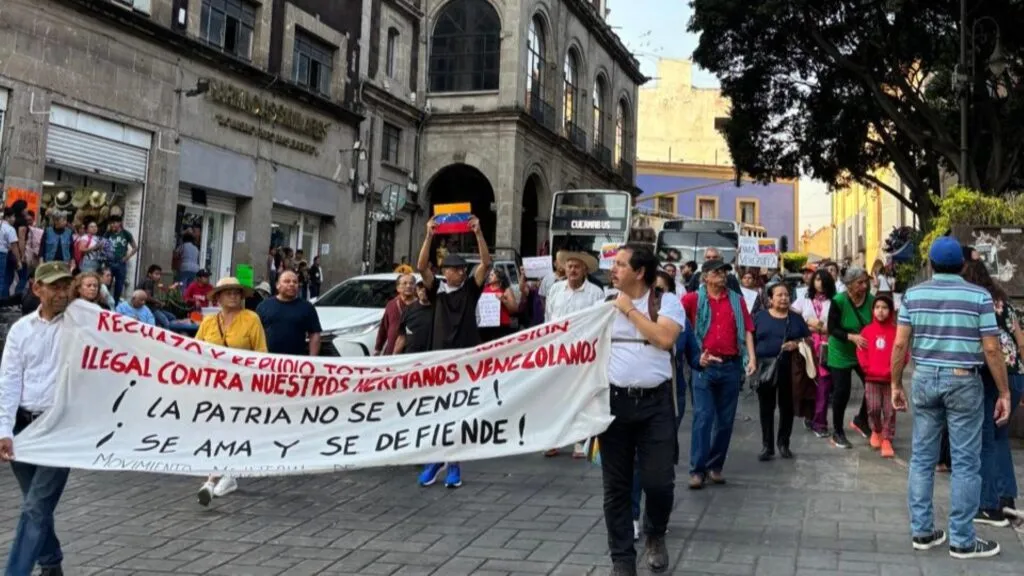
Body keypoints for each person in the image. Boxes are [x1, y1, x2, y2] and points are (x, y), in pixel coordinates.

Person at [891, 237, 1011, 559]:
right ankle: (962, 539)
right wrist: (1004, 391)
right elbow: (991, 348)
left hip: (925, 377)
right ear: (962, 264)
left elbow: (901, 345)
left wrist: (895, 385)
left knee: (922, 459)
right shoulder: (979, 296)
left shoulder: (914, 295)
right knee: (966, 462)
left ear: (930, 264)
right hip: (963, 380)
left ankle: (923, 531)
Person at [601, 245, 686, 576]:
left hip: (656, 406)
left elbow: (664, 339)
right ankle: (622, 559)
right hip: (615, 405)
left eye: (621, 264)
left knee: (660, 482)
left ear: (639, 272)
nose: (614, 269)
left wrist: (628, 311)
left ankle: (655, 533)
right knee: (616, 487)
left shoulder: (666, 302)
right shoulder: (605, 305)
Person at [0, 261, 74, 576]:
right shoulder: (21, 330)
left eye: (65, 286)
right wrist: (3, 430)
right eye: (54, 286)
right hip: (22, 425)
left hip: (59, 428)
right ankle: (51, 563)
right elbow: (9, 381)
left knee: (35, 507)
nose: (61, 293)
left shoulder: (81, 327)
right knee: (36, 504)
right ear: (37, 289)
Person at [415, 215, 490, 489]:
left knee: (458, 411)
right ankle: (437, 460)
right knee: (438, 411)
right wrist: (428, 236)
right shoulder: (438, 291)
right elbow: (421, 266)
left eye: (454, 269)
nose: (448, 272)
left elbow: (485, 263)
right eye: (446, 269)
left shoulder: (470, 290)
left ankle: (454, 464)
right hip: (439, 359)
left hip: (465, 360)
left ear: (462, 272)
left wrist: (478, 233)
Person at [683, 260, 756, 490]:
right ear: (705, 277)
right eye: (717, 272)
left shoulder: (737, 300)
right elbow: (676, 323)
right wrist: (691, 353)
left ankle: (715, 466)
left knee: (725, 421)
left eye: (724, 272)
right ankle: (697, 470)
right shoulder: (692, 299)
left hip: (731, 365)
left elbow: (747, 329)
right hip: (704, 366)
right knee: (703, 417)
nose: (722, 275)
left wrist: (751, 357)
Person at [195, 277, 268, 506]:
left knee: (233, 429)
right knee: (216, 429)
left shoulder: (251, 319)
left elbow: (261, 353)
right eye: (228, 293)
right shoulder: (208, 322)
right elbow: (195, 351)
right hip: (214, 386)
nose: (233, 296)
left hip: (242, 385)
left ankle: (216, 477)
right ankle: (220, 474)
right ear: (218, 297)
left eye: (237, 292)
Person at [961, 260, 1021, 528]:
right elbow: (1020, 340)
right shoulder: (1004, 302)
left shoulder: (974, 303)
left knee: (985, 439)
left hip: (992, 377)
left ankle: (988, 506)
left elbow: (986, 347)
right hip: (1017, 374)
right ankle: (1007, 499)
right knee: (1000, 438)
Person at [542, 250, 605, 458]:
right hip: (557, 351)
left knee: (581, 395)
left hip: (582, 354)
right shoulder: (555, 290)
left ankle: (579, 440)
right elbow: (548, 319)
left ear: (585, 270)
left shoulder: (596, 293)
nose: (572, 270)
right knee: (555, 395)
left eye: (577, 266)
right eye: (569, 266)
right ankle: (554, 439)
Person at [752, 282, 810, 461]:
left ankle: (783, 443)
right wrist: (751, 362)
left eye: (786, 295)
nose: (784, 298)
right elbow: (750, 340)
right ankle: (767, 446)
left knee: (787, 407)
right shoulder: (760, 317)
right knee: (766, 407)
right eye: (779, 295)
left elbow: (808, 340)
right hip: (765, 368)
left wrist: (796, 344)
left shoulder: (795, 318)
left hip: (789, 368)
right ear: (770, 299)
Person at [826, 267, 873, 449]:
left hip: (863, 351)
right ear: (849, 284)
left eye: (865, 281)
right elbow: (832, 328)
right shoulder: (839, 301)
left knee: (872, 386)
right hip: (841, 351)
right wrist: (851, 337)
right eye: (859, 282)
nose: (864, 285)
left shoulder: (871, 300)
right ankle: (838, 432)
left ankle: (861, 419)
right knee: (842, 392)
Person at [791, 269, 836, 438]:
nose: (820, 283)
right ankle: (810, 415)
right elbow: (793, 317)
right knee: (807, 383)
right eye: (817, 279)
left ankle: (820, 422)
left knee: (824, 384)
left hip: (827, 345)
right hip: (807, 346)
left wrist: (822, 327)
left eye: (824, 280)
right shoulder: (803, 300)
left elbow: (836, 324)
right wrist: (809, 324)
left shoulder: (834, 302)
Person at [856, 294, 901, 459]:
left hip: (891, 379)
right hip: (871, 378)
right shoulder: (867, 331)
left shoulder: (896, 331)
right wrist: (867, 368)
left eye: (884, 308)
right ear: (873, 310)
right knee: (873, 408)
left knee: (890, 411)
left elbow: (903, 352)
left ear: (890, 311)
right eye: (877, 308)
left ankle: (887, 438)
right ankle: (876, 430)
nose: (880, 311)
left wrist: (894, 370)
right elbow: (861, 351)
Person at [256, 270, 322, 356]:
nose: (291, 284)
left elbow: (315, 334)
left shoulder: (307, 308)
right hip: (268, 362)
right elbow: (255, 333)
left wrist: (312, 359)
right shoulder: (263, 306)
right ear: (277, 285)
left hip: (295, 363)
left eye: (295, 282)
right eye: (287, 281)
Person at [375, 274, 417, 356]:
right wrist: (378, 348)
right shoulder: (391, 305)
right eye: (404, 283)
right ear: (398, 288)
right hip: (391, 353)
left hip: (412, 354)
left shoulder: (420, 305)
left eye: (411, 283)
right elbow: (383, 328)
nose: (408, 286)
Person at [479, 268, 520, 342]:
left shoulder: (506, 290)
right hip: (485, 326)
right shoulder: (484, 289)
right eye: (490, 275)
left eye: (492, 275)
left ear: (499, 278)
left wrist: (504, 300)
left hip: (501, 327)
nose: (489, 276)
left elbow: (514, 309)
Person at [394, 280, 433, 354]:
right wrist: (394, 358)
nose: (423, 291)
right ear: (416, 290)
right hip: (411, 357)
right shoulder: (408, 309)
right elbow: (402, 337)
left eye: (426, 288)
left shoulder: (439, 309)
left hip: (431, 359)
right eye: (420, 288)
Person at [103, 215, 136, 301]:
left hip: (121, 263)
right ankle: (105, 304)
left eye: (114, 223)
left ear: (120, 223)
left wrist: (127, 257)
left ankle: (116, 304)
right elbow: (102, 245)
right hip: (109, 262)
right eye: (111, 223)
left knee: (119, 286)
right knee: (106, 285)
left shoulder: (126, 233)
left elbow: (135, 247)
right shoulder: (108, 233)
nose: (113, 225)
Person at [0, 208, 23, 303]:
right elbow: (14, 247)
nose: (14, 219)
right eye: (13, 217)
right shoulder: (10, 229)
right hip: (2, 255)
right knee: (1, 279)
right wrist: (18, 261)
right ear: (7, 217)